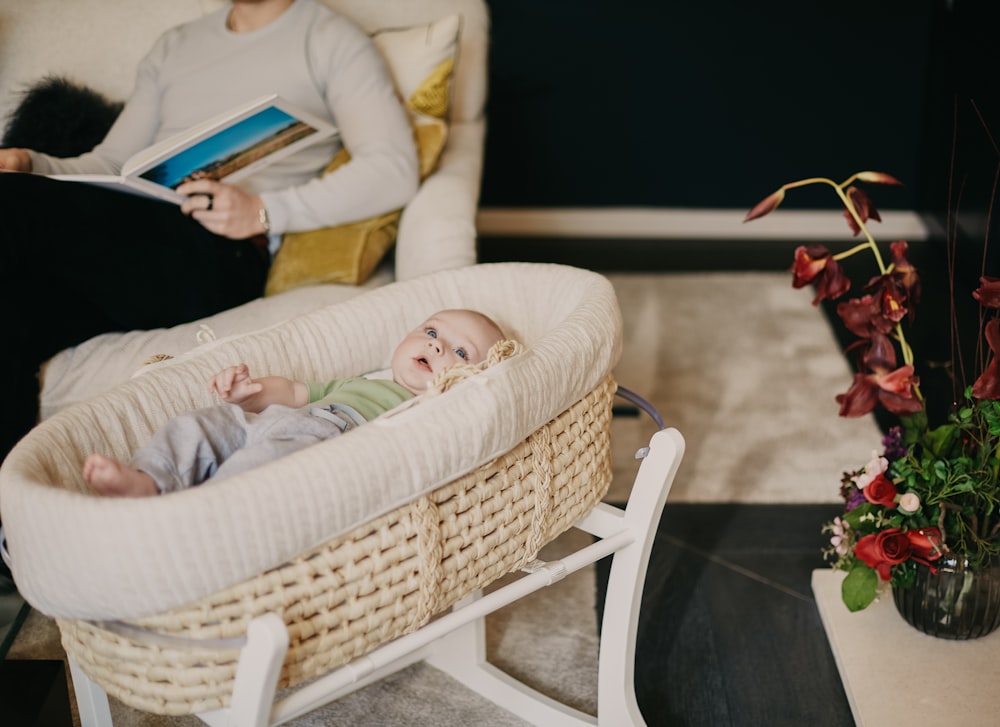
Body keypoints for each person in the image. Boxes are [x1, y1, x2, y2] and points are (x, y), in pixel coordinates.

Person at [0, 0, 420, 461]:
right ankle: (13, 511)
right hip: (126, 231)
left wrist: (263, 212)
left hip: (221, 250)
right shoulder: (176, 45)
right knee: (17, 305)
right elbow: (111, 162)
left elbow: (392, 168)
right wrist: (35, 163)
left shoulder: (328, 38)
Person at [82, 309, 505, 497]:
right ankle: (149, 480)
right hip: (284, 419)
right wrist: (251, 393)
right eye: (430, 332)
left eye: (461, 353)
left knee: (263, 469)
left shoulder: (435, 406)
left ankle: (193, 508)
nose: (436, 346)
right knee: (202, 424)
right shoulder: (369, 378)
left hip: (326, 442)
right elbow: (297, 392)